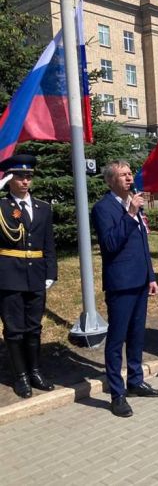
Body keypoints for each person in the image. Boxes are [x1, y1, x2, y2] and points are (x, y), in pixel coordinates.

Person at [91, 160, 158, 418]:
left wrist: (151, 276)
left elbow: (143, 243)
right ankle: (117, 393)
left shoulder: (134, 202)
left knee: (136, 335)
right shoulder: (103, 208)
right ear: (111, 180)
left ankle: (135, 381)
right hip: (120, 283)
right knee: (117, 339)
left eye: (130, 173)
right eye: (123, 175)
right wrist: (131, 214)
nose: (129, 178)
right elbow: (110, 244)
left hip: (141, 281)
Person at [0, 155, 57, 399]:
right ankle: (20, 376)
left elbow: (49, 243)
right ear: (10, 179)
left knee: (34, 327)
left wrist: (51, 272)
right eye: (19, 176)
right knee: (14, 330)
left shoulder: (42, 207)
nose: (25, 181)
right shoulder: (2, 206)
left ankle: (35, 371)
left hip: (36, 274)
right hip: (9, 275)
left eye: (28, 176)